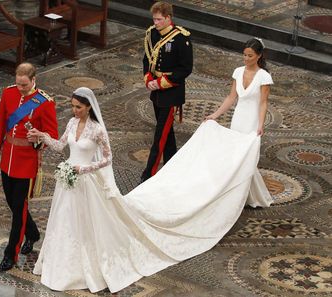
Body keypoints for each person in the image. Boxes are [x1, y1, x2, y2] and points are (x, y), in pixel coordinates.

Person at [29, 87, 264, 293]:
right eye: (72, 106)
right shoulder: (71, 123)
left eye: (78, 107)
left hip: (86, 180)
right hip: (68, 181)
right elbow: (61, 146)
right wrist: (43, 136)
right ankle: (60, 265)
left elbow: (107, 160)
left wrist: (85, 168)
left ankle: (86, 266)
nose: (74, 111)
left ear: (89, 107)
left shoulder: (97, 131)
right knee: (64, 221)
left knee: (87, 222)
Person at [0, 62, 58, 272]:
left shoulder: (44, 103)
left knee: (19, 209)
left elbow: (52, 136)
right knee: (12, 203)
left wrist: (38, 138)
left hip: (27, 162)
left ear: (33, 80)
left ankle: (11, 253)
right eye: (18, 84)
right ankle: (33, 233)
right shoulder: (8, 93)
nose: (20, 88)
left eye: (24, 85)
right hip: (8, 156)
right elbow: (1, 122)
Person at [206, 37, 274, 207]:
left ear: (258, 56)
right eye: (244, 55)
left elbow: (263, 102)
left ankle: (242, 196)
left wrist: (260, 125)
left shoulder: (264, 77)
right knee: (235, 156)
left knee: (246, 157)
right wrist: (216, 115)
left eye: (250, 56)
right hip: (238, 118)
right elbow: (231, 97)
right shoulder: (238, 71)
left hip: (252, 120)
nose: (246, 59)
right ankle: (238, 194)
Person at [141, 1, 193, 183]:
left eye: (159, 19)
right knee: (167, 134)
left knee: (160, 135)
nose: (156, 23)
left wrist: (161, 83)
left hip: (171, 92)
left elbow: (185, 68)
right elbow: (147, 59)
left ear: (168, 18)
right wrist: (148, 79)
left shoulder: (181, 39)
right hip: (156, 91)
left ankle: (148, 175)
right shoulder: (152, 34)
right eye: (154, 19)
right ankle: (173, 167)